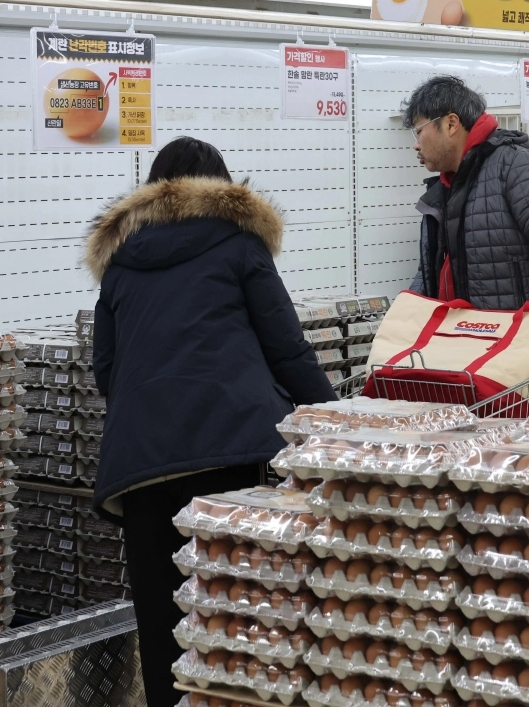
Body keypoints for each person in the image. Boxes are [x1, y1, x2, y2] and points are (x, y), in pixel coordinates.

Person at [84, 137, 337, 706]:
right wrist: (336, 422)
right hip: (233, 456)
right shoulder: (239, 243)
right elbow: (287, 349)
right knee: (241, 620)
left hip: (141, 468)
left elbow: (106, 371)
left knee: (163, 625)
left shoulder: (121, 262)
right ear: (222, 187)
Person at [403, 75, 529, 311]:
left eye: (419, 131)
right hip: (471, 334)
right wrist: (405, 314)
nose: (416, 144)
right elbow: (435, 269)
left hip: (517, 336)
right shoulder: (449, 184)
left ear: (451, 123)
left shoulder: (515, 163)